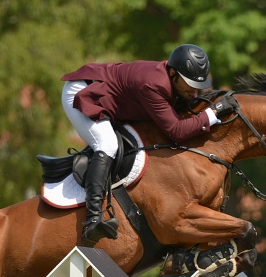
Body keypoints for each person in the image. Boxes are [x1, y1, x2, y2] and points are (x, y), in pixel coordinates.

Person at [60, 44, 237, 244]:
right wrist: (212, 114)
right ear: (172, 74)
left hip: (112, 98)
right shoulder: (153, 85)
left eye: (197, 86)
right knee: (107, 144)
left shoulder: (171, 81)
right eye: (189, 85)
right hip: (84, 93)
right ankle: (92, 219)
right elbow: (177, 132)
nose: (194, 92)